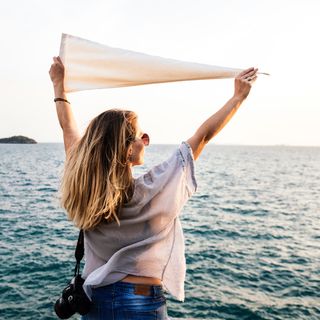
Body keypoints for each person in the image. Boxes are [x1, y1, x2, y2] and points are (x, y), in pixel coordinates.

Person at [49, 56, 258, 320]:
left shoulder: (83, 188)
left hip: (96, 302)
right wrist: (238, 97)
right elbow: (203, 136)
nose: (145, 140)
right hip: (141, 301)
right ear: (126, 150)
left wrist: (58, 85)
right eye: (140, 136)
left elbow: (68, 127)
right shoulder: (152, 189)